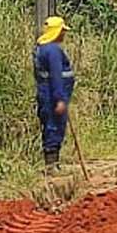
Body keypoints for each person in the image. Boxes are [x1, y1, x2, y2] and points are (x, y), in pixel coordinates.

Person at [33, 16, 75, 174]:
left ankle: (53, 164)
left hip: (46, 93)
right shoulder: (52, 51)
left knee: (51, 126)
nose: (63, 35)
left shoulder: (41, 48)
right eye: (62, 31)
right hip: (53, 95)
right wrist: (60, 99)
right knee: (54, 127)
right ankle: (51, 166)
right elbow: (56, 75)